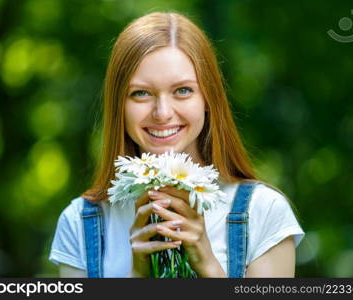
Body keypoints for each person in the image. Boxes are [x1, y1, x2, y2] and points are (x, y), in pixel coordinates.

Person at [49, 11, 305, 278]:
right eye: (141, 93)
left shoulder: (262, 213)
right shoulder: (80, 223)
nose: (162, 113)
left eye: (182, 90)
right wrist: (137, 276)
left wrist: (207, 262)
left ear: (208, 99)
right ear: (119, 107)